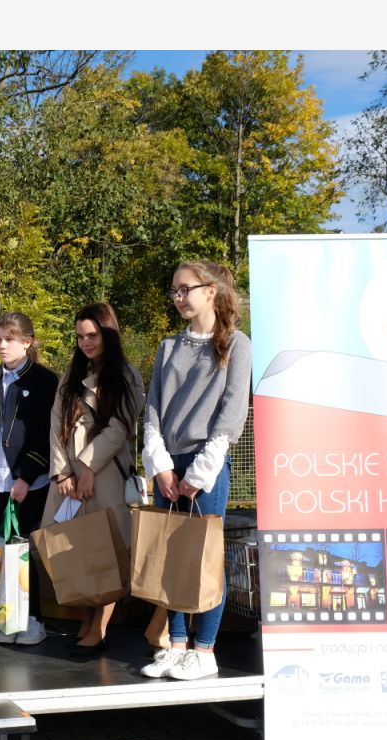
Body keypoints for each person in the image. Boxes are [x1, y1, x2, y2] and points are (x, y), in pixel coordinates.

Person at [139, 260, 252, 681]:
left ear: (210, 290)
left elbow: (232, 413)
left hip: (208, 464)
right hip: (168, 465)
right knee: (170, 555)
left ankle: (204, 650)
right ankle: (177, 645)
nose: (178, 297)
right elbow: (152, 408)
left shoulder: (237, 344)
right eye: (174, 290)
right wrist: (161, 465)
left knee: (205, 557)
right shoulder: (169, 346)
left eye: (184, 289)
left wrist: (200, 471)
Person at [41, 303, 143, 656]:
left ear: (107, 334)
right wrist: (62, 472)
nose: (85, 342)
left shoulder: (127, 375)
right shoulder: (71, 374)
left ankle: (99, 627)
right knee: (68, 550)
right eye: (80, 336)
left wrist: (87, 468)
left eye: (92, 335)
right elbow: (56, 422)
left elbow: (120, 426)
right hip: (68, 480)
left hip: (104, 474)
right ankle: (86, 621)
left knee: (108, 552)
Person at [0, 312, 58, 647]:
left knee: (24, 548)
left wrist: (25, 476)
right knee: (1, 549)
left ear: (27, 342)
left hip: (27, 482)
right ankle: (9, 616)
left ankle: (34, 619)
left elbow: (46, 434)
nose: (2, 345)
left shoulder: (45, 381)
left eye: (9, 339)